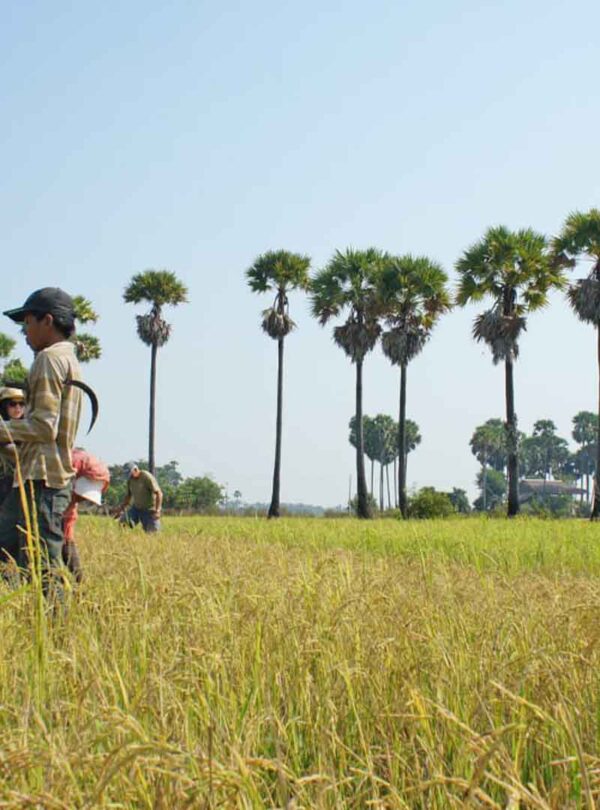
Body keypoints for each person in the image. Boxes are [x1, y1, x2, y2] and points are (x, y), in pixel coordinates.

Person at [0, 288, 82, 595]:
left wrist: (3, 430)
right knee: (15, 550)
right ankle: (20, 615)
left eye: (28, 322)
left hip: (43, 480)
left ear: (48, 321)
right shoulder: (68, 358)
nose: (25, 331)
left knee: (43, 566)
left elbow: (44, 426)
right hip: (35, 474)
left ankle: (55, 631)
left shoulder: (48, 359)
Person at [62, 448, 111, 583]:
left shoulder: (70, 509)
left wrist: (79, 578)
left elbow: (68, 542)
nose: (79, 499)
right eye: (78, 495)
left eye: (82, 498)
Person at [116, 462, 162, 532]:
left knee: (153, 533)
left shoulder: (146, 476)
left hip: (149, 510)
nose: (129, 476)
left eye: (130, 473)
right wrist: (121, 508)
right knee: (123, 523)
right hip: (136, 509)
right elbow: (128, 495)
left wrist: (158, 510)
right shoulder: (130, 480)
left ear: (135, 469)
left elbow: (159, 493)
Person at [0, 388, 26, 506]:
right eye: (13, 404)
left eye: (21, 404)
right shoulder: (2, 428)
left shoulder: (32, 428)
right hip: (6, 482)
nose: (18, 408)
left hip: (27, 481)